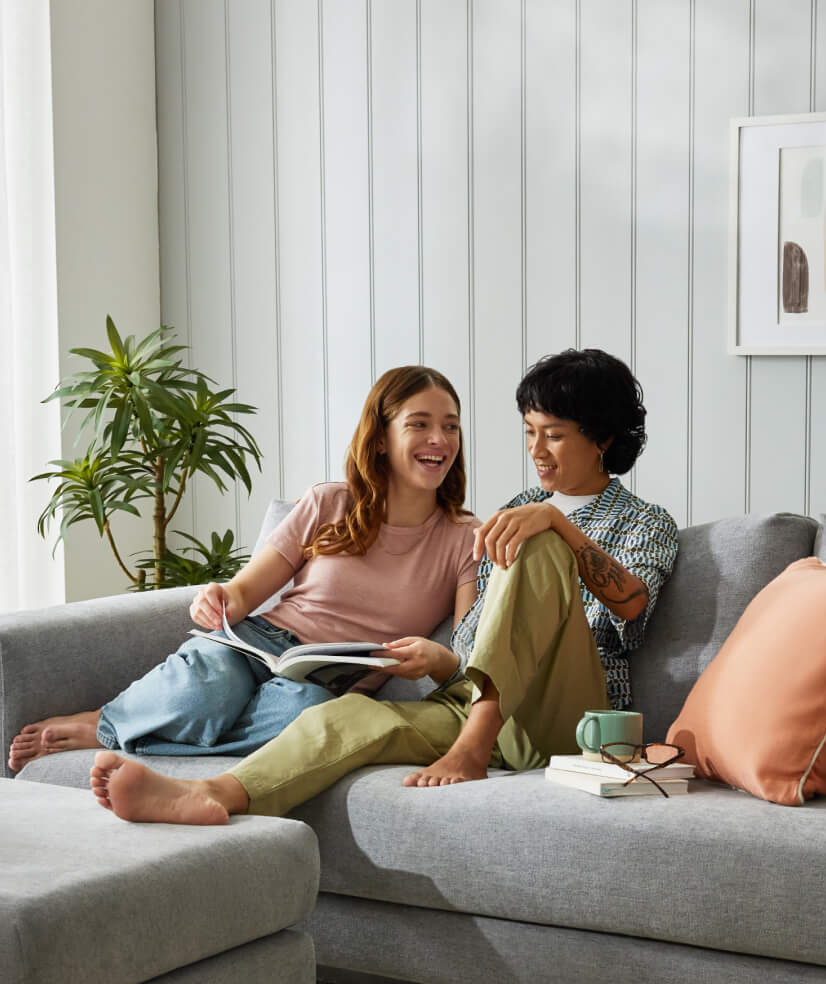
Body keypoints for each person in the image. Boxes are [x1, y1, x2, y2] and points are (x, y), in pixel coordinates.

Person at [86, 348, 680, 824]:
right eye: (529, 432)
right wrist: (442, 663)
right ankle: (213, 793)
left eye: (553, 434)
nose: (536, 451)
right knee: (343, 716)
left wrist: (557, 525)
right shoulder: (514, 509)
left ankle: (473, 747)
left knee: (541, 542)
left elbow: (632, 606)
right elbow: (473, 641)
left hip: (567, 711)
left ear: (602, 438)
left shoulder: (643, 521)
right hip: (476, 701)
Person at [7, 366, 479, 771]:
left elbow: (467, 656)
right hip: (259, 642)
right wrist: (216, 599)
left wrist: (436, 659)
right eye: (419, 424)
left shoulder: (465, 539)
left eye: (451, 427)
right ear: (380, 439)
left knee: (304, 722)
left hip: (330, 679)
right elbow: (243, 593)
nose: (439, 440)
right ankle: (112, 722)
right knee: (204, 692)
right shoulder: (328, 503)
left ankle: (119, 729)